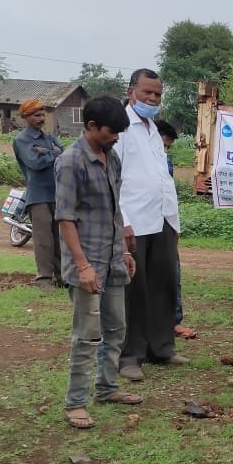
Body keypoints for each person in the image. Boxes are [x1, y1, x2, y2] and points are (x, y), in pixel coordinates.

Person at [54, 96, 141, 429]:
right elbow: (65, 219)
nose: (116, 137)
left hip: (113, 260)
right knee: (87, 336)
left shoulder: (111, 157)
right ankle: (75, 403)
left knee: (116, 328)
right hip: (87, 265)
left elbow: (115, 210)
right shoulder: (70, 162)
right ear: (91, 126)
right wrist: (82, 266)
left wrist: (124, 252)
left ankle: (106, 388)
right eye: (111, 131)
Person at [116, 69, 186, 382]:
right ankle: (129, 355)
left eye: (158, 94)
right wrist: (123, 221)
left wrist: (174, 221)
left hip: (163, 220)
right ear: (131, 91)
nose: (153, 99)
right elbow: (114, 179)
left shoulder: (154, 131)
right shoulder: (121, 128)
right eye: (147, 92)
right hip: (134, 221)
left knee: (164, 285)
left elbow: (161, 178)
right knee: (134, 290)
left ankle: (161, 347)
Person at [12, 99, 64, 290]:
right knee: (43, 240)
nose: (41, 118)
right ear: (26, 117)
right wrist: (54, 153)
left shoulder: (48, 137)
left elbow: (65, 155)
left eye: (42, 115)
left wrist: (46, 152)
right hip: (38, 195)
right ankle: (44, 279)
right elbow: (35, 163)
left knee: (59, 238)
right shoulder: (21, 140)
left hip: (57, 193)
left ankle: (62, 277)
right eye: (36, 115)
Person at [156, 119, 196, 340]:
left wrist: (174, 225)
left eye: (168, 147)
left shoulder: (166, 163)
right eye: (163, 145)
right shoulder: (133, 162)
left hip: (166, 224)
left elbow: (169, 197)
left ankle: (173, 321)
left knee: (172, 273)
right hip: (142, 227)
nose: (165, 150)